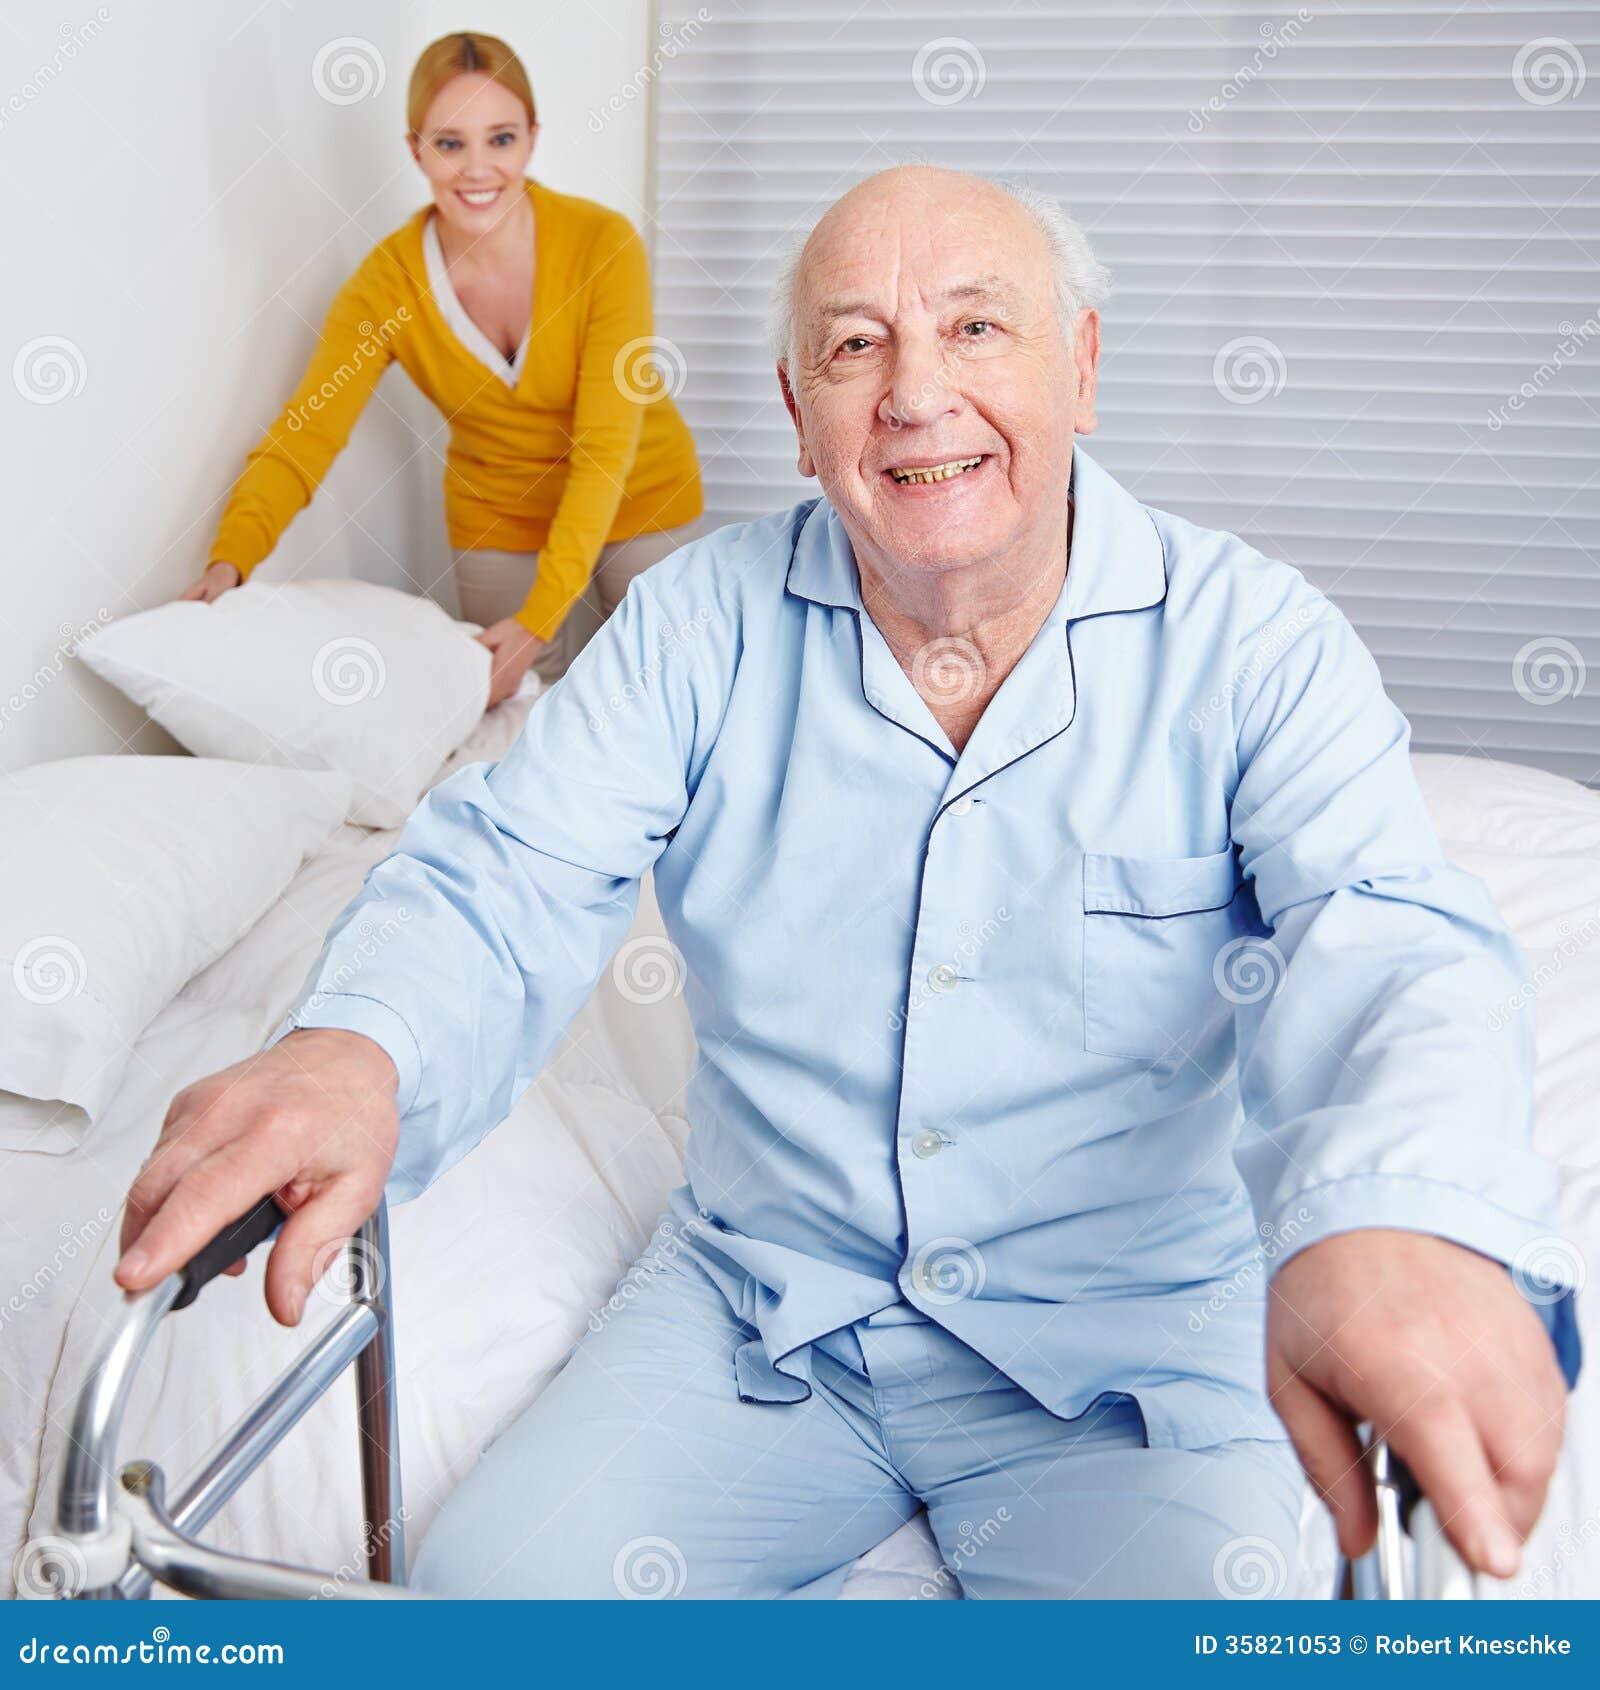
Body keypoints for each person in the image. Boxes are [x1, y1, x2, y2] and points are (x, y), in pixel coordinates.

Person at [117, 166, 1579, 1599]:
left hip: (1127, 1342)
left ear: (1081, 364)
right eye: (855, 345)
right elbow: (509, 872)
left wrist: (1398, 1211)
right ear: (798, 409)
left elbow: (1388, 935)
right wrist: (356, 1043)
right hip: (762, 1315)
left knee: (1238, 1625)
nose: (917, 392)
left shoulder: (1251, 637)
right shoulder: (699, 623)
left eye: (977, 327)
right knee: (492, 1598)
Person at [179, 32, 702, 702]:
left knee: (659, 695)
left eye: (501, 139)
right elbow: (305, 437)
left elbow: (604, 447)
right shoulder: (386, 285)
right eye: (451, 143)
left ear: (533, 139)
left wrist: (541, 619)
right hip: (498, 512)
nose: (478, 169)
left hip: (639, 493)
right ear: (416, 149)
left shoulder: (603, 244)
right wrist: (229, 563)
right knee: (509, 713)